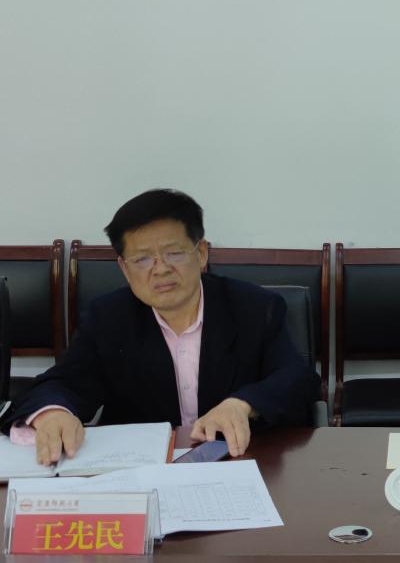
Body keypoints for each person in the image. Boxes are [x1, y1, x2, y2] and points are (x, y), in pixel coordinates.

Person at [2, 189, 319, 464]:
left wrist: (242, 405)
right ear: (124, 269)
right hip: (141, 474)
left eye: (174, 253)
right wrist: (53, 413)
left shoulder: (254, 307)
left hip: (241, 461)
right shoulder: (108, 318)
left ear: (201, 253)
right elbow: (64, 383)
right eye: (142, 259)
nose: (160, 269)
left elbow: (297, 379)